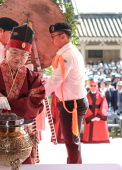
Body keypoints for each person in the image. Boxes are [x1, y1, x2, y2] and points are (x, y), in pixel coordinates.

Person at [0, 23, 45, 165]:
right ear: (6, 50)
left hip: (20, 133)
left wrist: (8, 107)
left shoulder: (32, 77)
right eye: (15, 52)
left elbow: (37, 101)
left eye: (24, 54)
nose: (19, 58)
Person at [43, 23, 88, 164]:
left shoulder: (67, 55)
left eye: (53, 37)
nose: (51, 40)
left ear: (63, 36)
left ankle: (75, 167)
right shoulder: (67, 52)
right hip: (71, 101)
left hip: (72, 104)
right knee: (71, 141)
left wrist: (38, 95)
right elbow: (59, 78)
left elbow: (56, 80)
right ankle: (73, 165)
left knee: (71, 141)